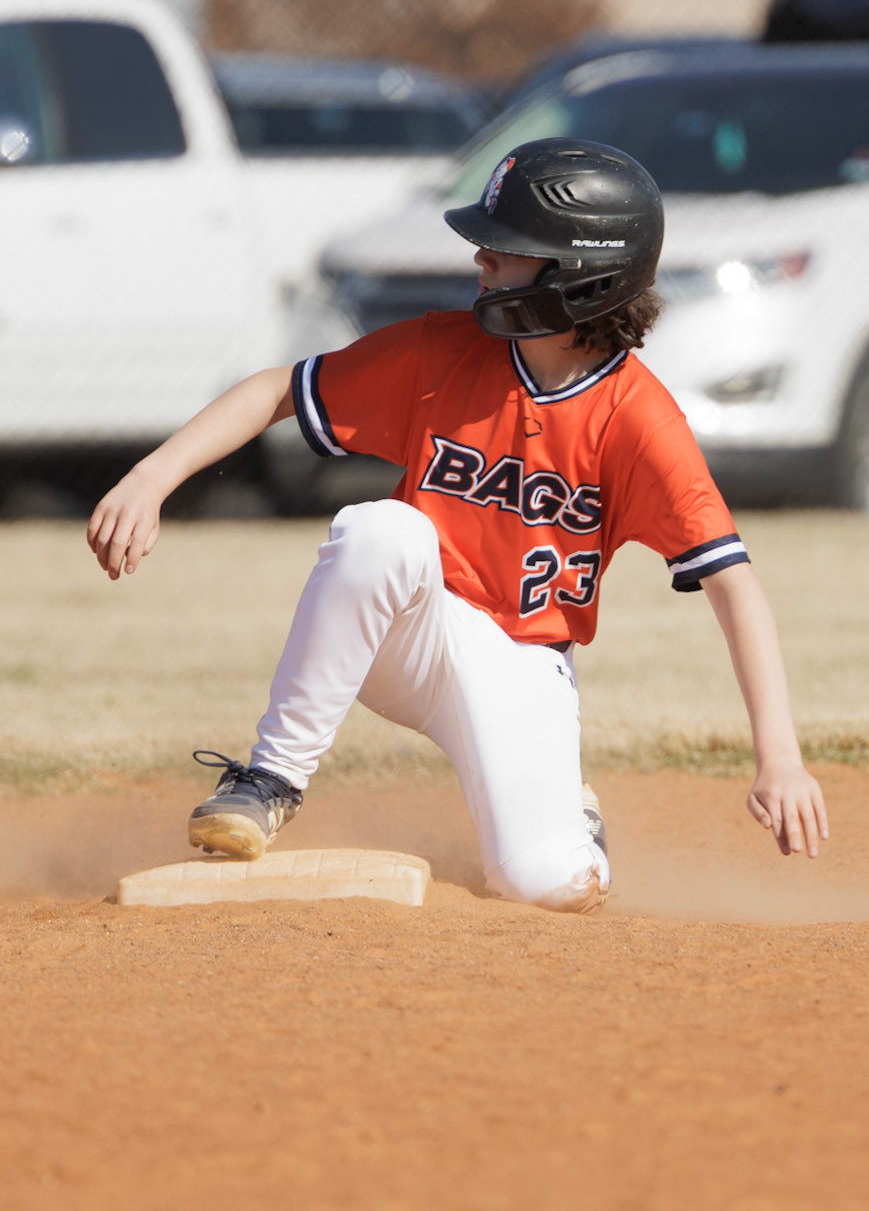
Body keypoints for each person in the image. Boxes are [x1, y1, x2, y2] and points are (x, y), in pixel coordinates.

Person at [87, 138, 827, 913]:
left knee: (547, 884)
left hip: (521, 665)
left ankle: (567, 815)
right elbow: (278, 390)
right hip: (409, 629)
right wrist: (152, 477)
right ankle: (270, 778)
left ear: (579, 275)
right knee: (380, 532)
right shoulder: (442, 353)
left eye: (507, 246)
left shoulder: (638, 420)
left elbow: (731, 584)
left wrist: (778, 758)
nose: (480, 256)